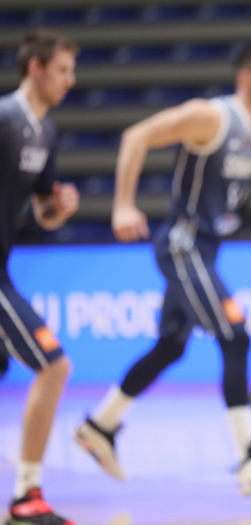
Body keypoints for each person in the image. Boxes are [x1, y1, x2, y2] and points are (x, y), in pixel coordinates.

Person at [73, 43, 251, 496]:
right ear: (245, 78)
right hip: (182, 245)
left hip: (207, 250)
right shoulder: (211, 116)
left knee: (170, 346)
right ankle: (249, 454)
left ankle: (100, 426)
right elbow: (136, 136)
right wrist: (123, 205)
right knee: (236, 336)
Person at [0, 29, 80, 525]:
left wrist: (58, 210)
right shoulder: (5, 119)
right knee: (54, 365)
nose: (70, 80)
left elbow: (38, 217)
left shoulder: (44, 131)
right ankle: (26, 497)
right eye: (62, 70)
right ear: (35, 69)